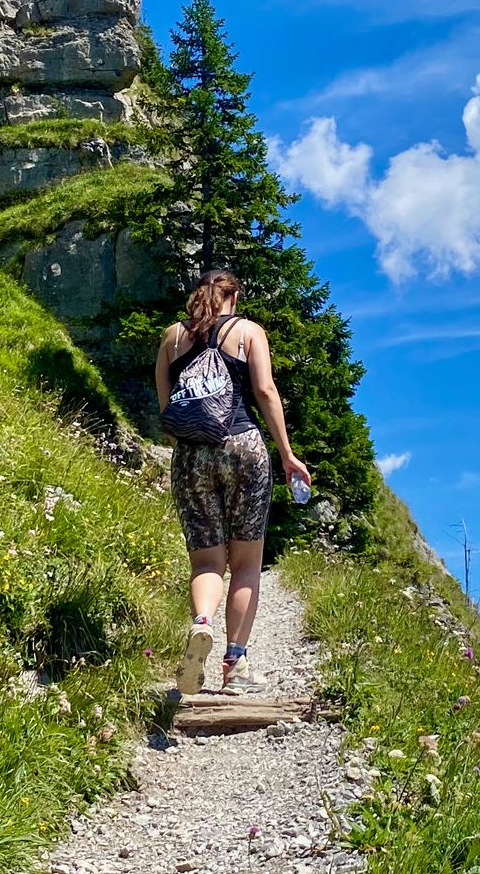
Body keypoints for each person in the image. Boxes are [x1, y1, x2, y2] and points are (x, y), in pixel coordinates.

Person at [153, 269, 312, 695]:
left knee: (206, 564)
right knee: (245, 563)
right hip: (243, 445)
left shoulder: (171, 337)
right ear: (233, 297)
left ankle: (201, 623)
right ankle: (234, 662)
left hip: (190, 455)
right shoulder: (247, 332)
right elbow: (264, 390)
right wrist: (287, 454)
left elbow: (168, 409)